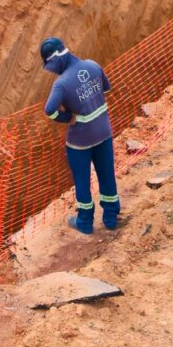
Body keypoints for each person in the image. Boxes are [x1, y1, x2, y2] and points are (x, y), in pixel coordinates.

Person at [39, 37, 117, 233]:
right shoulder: (92, 65)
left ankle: (84, 223)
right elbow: (106, 88)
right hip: (104, 132)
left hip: (80, 142)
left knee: (82, 180)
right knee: (107, 174)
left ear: (55, 60)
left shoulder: (61, 84)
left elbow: (49, 110)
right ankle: (110, 218)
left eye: (50, 65)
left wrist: (67, 117)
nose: (51, 70)